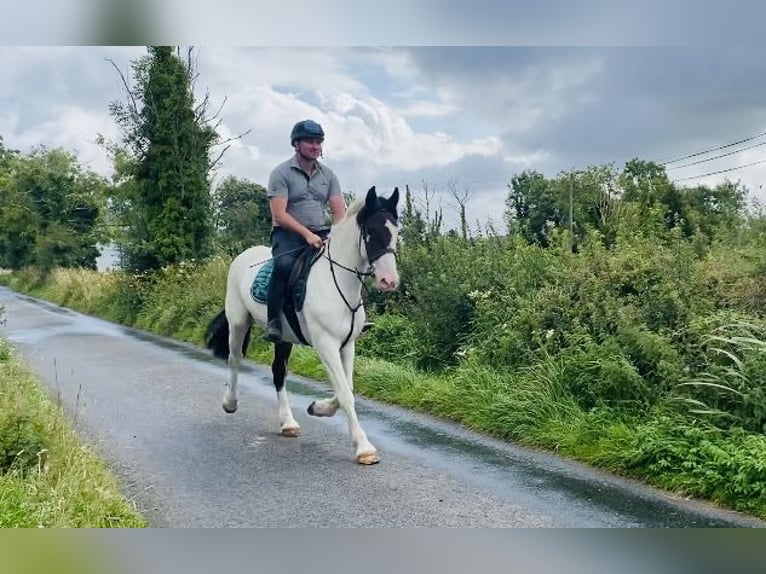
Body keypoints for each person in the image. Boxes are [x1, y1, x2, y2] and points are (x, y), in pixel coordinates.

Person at [264, 119, 346, 342]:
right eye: (310, 141)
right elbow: (280, 214)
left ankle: (350, 319)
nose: (315, 146)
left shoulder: (329, 175)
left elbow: (339, 212)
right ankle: (273, 321)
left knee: (347, 265)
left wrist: (337, 236)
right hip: (287, 235)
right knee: (283, 266)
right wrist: (307, 235)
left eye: (318, 142)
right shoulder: (281, 173)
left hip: (321, 233)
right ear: (296, 144)